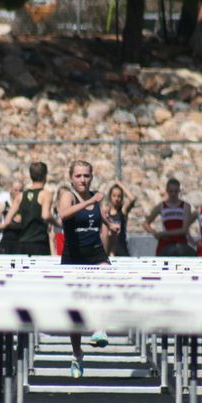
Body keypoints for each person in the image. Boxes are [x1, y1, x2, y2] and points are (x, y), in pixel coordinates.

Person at [58, 160, 122, 378]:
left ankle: (99, 327)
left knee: (105, 279)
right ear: (71, 178)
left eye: (86, 176)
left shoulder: (95, 198)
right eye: (78, 176)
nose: (83, 180)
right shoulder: (68, 195)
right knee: (74, 312)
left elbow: (100, 216)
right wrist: (89, 202)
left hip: (95, 254)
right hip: (73, 257)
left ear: (92, 177)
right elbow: (63, 214)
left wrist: (110, 225)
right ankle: (77, 354)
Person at [3, 162, 54, 256]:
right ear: (45, 176)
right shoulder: (45, 194)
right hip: (40, 242)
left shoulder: (21, 196)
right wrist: (57, 223)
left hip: (23, 243)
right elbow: (45, 215)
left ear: (30, 176)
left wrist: (23, 223)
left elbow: (7, 221)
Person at [143, 178, 194, 256]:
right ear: (167, 191)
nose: (173, 194)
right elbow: (146, 223)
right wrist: (154, 232)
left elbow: (184, 229)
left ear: (179, 191)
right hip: (165, 243)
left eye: (176, 191)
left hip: (180, 242)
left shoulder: (185, 206)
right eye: (171, 191)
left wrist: (164, 233)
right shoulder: (161, 206)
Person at [103, 181, 136, 257]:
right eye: (114, 196)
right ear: (110, 196)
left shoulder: (122, 211)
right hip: (109, 250)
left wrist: (120, 184)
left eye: (119, 196)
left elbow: (132, 199)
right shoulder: (106, 212)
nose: (116, 199)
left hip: (121, 249)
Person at [0, 180, 23, 254]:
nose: (18, 193)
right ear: (11, 189)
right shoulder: (3, 205)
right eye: (16, 190)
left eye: (20, 190)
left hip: (20, 240)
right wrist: (6, 224)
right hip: (7, 239)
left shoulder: (24, 206)